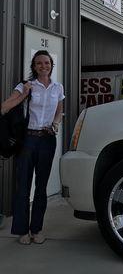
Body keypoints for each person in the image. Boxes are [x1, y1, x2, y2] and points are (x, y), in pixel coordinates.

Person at [0, 50, 64, 245]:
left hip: (47, 140)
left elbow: (60, 109)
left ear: (52, 65)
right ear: (34, 67)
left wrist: (55, 124)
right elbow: (4, 107)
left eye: (46, 63)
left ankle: (37, 229)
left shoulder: (57, 87)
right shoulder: (25, 85)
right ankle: (22, 231)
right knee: (23, 187)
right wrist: (24, 94)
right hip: (28, 140)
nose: (43, 66)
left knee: (41, 188)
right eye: (39, 63)